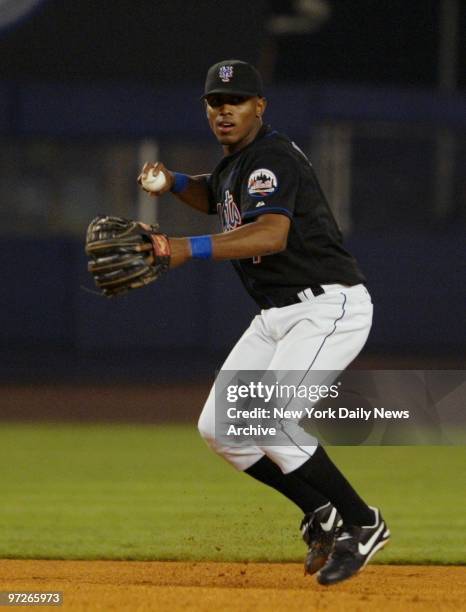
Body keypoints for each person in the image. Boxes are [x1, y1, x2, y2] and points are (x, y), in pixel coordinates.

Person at [138, 59, 390, 586]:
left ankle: (363, 522)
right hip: (277, 314)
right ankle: (320, 512)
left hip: (327, 307)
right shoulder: (240, 162)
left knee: (268, 418)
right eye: (215, 102)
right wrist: (176, 181)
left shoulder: (269, 158)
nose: (224, 110)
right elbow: (218, 196)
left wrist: (184, 247)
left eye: (236, 101)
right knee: (220, 429)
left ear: (260, 107)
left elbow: (269, 234)